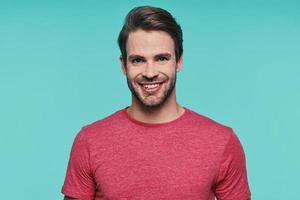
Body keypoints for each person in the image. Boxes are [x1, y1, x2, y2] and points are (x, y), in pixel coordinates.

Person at [61, 6, 251, 200]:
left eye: (161, 58)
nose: (150, 73)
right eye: (138, 60)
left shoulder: (221, 141)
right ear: (123, 65)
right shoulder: (90, 141)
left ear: (179, 62)